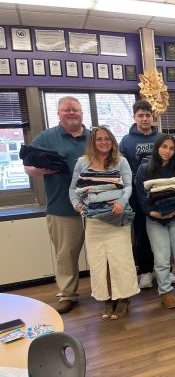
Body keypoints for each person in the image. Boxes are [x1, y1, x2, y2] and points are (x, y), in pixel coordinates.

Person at [24, 96, 90, 314]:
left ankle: (105, 291)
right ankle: (68, 295)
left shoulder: (94, 137)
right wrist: (41, 170)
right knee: (65, 254)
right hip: (62, 207)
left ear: (82, 113)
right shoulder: (46, 137)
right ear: (59, 113)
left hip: (97, 207)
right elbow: (29, 166)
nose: (72, 113)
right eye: (67, 110)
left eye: (76, 110)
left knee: (100, 251)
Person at [69, 126, 139, 320]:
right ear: (93, 141)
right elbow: (73, 189)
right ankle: (107, 299)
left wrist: (121, 202)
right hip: (94, 222)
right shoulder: (82, 162)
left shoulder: (121, 161)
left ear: (112, 141)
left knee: (121, 260)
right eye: (99, 139)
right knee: (99, 262)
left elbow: (127, 187)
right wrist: (77, 205)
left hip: (117, 219)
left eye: (107, 139)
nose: (103, 142)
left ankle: (124, 298)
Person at [135, 135, 175, 309]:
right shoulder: (144, 170)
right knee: (161, 259)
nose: (167, 151)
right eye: (164, 147)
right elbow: (141, 197)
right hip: (155, 220)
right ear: (157, 148)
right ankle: (165, 292)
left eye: (171, 148)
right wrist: (154, 213)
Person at [119, 100, 160, 289]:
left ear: (153, 116)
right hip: (138, 196)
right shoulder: (126, 141)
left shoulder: (161, 138)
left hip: (161, 193)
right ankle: (145, 271)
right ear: (134, 117)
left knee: (161, 232)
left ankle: (163, 269)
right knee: (142, 234)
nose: (145, 119)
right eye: (140, 115)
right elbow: (122, 170)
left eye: (148, 115)